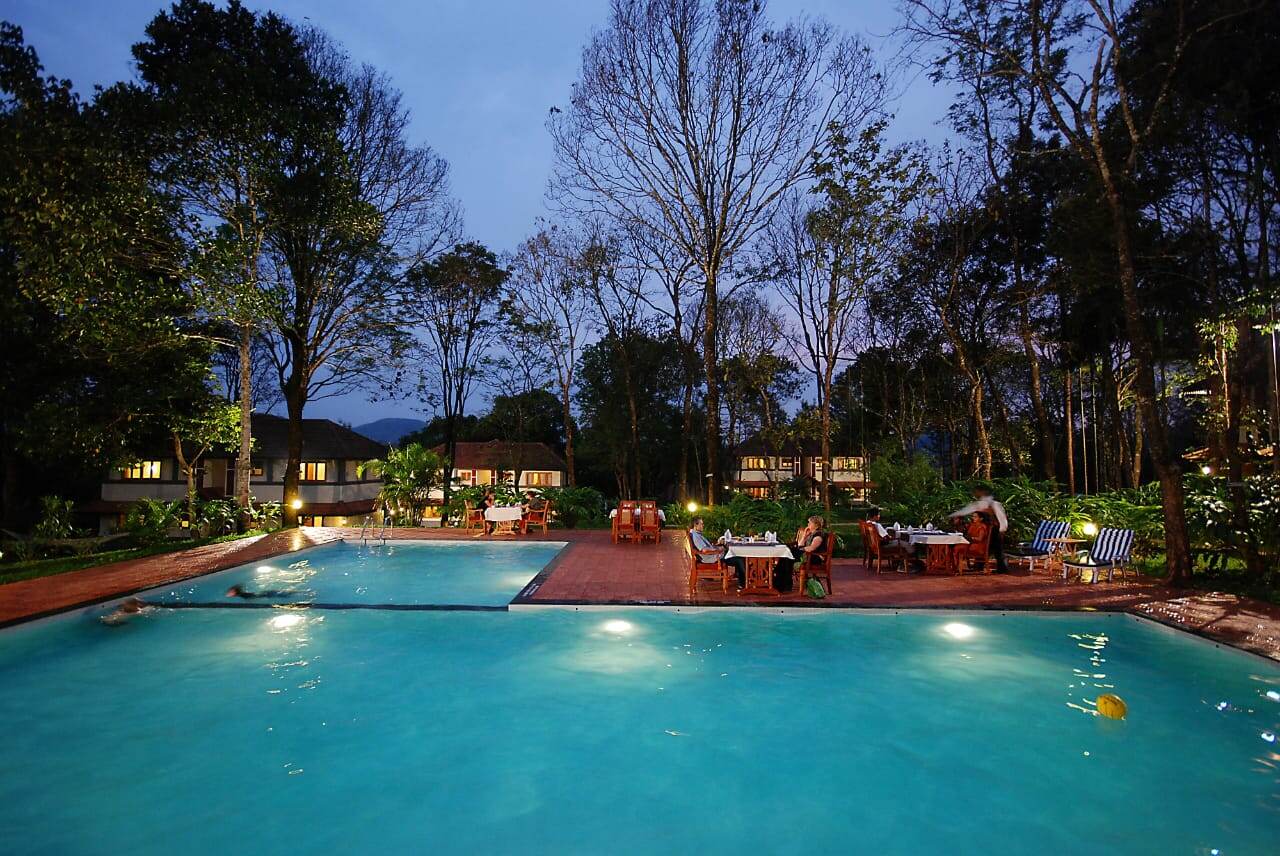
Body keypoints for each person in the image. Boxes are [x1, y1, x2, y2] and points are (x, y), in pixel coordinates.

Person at [949, 484, 1009, 573]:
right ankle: (980, 565)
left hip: (995, 529)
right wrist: (953, 515)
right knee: (985, 547)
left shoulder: (994, 504)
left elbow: (1002, 518)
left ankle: (1002, 568)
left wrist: (1002, 530)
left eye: (977, 492)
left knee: (998, 550)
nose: (975, 494)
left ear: (983, 492)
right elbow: (965, 510)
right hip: (986, 528)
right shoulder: (979, 503)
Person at [688, 516, 747, 589]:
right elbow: (705, 550)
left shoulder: (695, 534)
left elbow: (706, 547)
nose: (703, 525)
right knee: (739, 559)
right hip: (712, 557)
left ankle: (740, 577)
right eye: (701, 524)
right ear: (695, 525)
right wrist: (719, 549)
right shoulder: (696, 536)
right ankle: (743, 584)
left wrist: (717, 545)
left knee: (737, 556)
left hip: (714, 555)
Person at [774, 515, 827, 592]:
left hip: (814, 558)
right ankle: (783, 584)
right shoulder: (811, 534)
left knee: (788, 554)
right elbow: (800, 545)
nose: (808, 525)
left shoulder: (818, 535)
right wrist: (805, 535)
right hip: (807, 555)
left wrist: (800, 549)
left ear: (816, 525)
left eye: (810, 523)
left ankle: (782, 583)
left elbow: (812, 548)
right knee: (786, 557)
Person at [226, 584, 291, 600]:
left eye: (230, 592)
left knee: (285, 594)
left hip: (266, 595)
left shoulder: (243, 595)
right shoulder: (242, 595)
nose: (228, 593)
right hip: (265, 594)